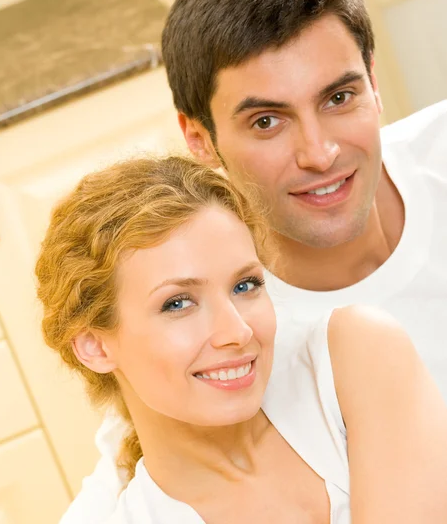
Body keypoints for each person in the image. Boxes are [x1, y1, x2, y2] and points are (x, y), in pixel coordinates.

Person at [56, 0, 447, 522]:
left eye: (339, 98)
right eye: (267, 121)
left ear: (372, 81)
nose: (321, 153)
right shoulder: (238, 346)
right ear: (200, 139)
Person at [36, 155, 447, 524]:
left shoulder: (353, 361)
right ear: (95, 346)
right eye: (178, 303)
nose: (237, 332)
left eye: (245, 285)